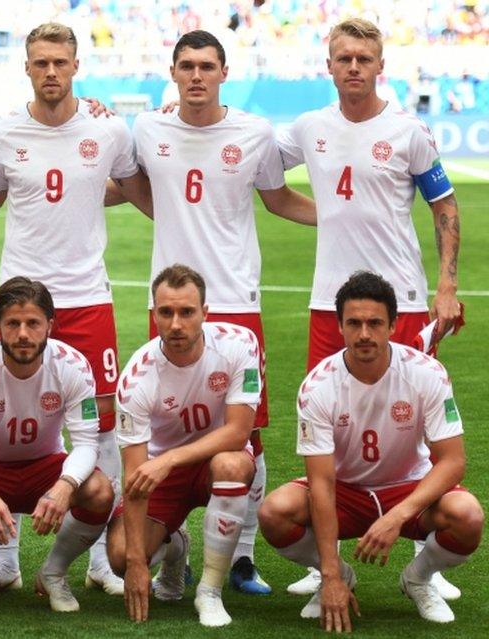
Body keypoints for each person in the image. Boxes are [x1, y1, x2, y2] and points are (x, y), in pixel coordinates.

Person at [123, 29, 316, 596]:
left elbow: (278, 199)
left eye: (207, 66)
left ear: (224, 72)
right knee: (163, 422)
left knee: (246, 437)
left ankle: (243, 557)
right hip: (173, 307)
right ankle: (174, 542)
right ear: (174, 72)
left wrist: (347, 216)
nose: (197, 76)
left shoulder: (254, 132)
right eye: (187, 66)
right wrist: (172, 217)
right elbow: (133, 183)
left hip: (236, 301)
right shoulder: (149, 127)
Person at [0, 20, 148, 598]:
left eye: (59, 63)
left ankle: (92, 559)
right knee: (4, 419)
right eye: (39, 62)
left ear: (75, 66)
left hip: (88, 297)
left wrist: (189, 225)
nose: (50, 72)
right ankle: (7, 558)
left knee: (105, 421)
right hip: (21, 297)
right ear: (26, 66)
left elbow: (133, 185)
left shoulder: (109, 130)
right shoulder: (2, 135)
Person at [278, 17, 463, 600]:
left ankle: (421, 563)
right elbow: (265, 180)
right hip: (326, 302)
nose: (353, 66)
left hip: (403, 300)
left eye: (363, 58)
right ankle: (324, 563)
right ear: (328, 66)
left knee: (413, 422)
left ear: (381, 65)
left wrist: (446, 286)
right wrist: (326, 214)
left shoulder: (408, 131)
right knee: (326, 420)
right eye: (343, 58)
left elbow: (444, 207)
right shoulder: (309, 128)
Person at [259, 271, 483, 630]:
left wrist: (397, 517)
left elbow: (453, 463)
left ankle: (418, 579)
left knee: (468, 516)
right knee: (274, 513)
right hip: (345, 492)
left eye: (375, 323)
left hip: (408, 489)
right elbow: (321, 482)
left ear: (393, 325)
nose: (364, 334)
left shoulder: (427, 373)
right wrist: (331, 574)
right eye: (355, 323)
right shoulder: (317, 387)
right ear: (340, 327)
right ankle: (341, 577)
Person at [0, 277, 114, 613]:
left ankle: (54, 573)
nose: (24, 334)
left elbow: (87, 443)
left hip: (45, 466)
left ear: (50, 326)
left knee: (101, 491)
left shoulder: (73, 366)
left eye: (33, 323)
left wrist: (64, 486)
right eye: (13, 323)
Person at [107, 264, 259, 627]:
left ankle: (209, 591)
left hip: (214, 461)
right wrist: (135, 565)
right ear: (154, 315)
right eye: (166, 312)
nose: (176, 324)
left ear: (205, 313)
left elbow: (239, 432)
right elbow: (134, 474)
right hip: (163, 474)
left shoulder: (240, 344)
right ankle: (175, 550)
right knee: (119, 553)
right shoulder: (135, 380)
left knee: (232, 465)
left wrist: (171, 458)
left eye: (187, 312)